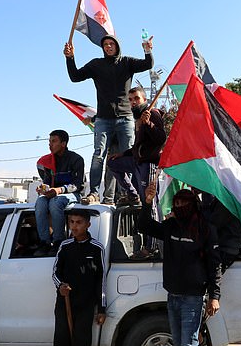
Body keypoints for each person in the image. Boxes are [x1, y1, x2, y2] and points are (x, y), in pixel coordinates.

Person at [64, 34, 154, 205]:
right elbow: (75, 76)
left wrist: (147, 50)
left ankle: (130, 193)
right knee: (99, 155)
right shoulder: (96, 65)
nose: (108, 46)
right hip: (103, 119)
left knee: (128, 156)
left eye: (111, 43)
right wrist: (70, 58)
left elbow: (148, 64)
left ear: (117, 46)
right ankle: (94, 193)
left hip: (125, 118)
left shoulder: (127, 62)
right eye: (105, 44)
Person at [138, 184, 221, 346]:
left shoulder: (205, 229)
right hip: (173, 296)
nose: (180, 206)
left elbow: (215, 265)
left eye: (184, 203)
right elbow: (143, 225)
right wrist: (147, 202)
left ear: (193, 205)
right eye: (176, 203)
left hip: (193, 298)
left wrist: (215, 296)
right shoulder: (170, 226)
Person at [52, 209, 106, 346]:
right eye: (71, 222)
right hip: (64, 303)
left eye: (79, 222)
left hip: (85, 305)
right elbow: (55, 272)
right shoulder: (65, 246)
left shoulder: (97, 248)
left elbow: (101, 279)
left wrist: (102, 309)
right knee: (61, 344)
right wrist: (61, 285)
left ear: (88, 225)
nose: (74, 227)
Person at [107, 86, 166, 207]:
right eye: (130, 99)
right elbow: (138, 146)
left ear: (144, 99)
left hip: (148, 165)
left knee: (149, 202)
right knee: (113, 162)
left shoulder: (153, 114)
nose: (133, 102)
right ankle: (133, 195)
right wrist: (123, 154)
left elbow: (161, 139)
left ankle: (152, 223)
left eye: (136, 98)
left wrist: (148, 123)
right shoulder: (138, 119)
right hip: (136, 162)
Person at [35, 129, 85, 256]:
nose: (50, 145)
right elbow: (47, 181)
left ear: (63, 143)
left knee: (55, 202)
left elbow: (77, 185)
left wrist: (59, 190)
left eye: (54, 141)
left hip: (72, 194)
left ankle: (58, 242)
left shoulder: (76, 159)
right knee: (40, 202)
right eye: (49, 141)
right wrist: (43, 188)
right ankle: (44, 242)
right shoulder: (48, 161)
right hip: (53, 194)